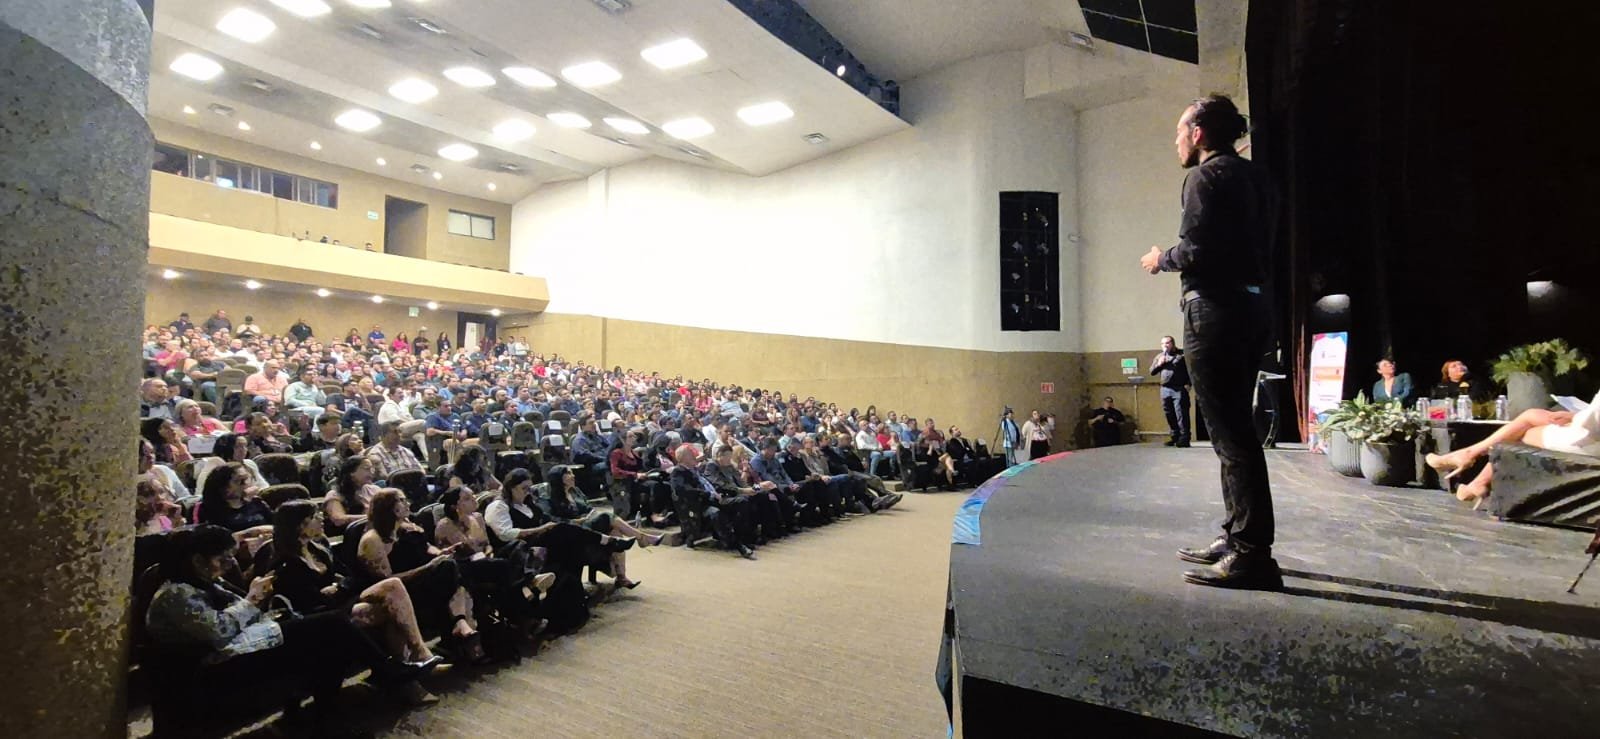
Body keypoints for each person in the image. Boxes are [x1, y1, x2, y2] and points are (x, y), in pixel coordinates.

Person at [1140, 94, 1280, 590]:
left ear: (1198, 133)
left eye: (1180, 130)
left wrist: (1161, 258)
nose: (1176, 140)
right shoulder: (1256, 177)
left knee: (1231, 436)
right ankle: (1237, 536)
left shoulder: (1204, 177)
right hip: (1254, 309)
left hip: (1215, 312)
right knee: (1234, 432)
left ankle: (1250, 555)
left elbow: (1197, 248)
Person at [145, 526, 440, 715]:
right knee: (333, 625)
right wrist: (252, 599)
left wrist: (255, 601)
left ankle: (330, 707)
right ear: (197, 560)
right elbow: (219, 631)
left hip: (238, 648)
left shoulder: (207, 583)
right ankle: (387, 672)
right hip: (209, 666)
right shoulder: (176, 594)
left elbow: (242, 615)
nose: (228, 565)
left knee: (333, 635)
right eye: (222, 559)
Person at [269, 500, 443, 704]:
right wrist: (338, 589)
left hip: (343, 599)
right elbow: (308, 602)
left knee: (393, 587)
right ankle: (405, 674)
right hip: (324, 615)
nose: (321, 519)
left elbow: (349, 576)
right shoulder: (285, 563)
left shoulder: (319, 547)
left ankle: (416, 655)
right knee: (393, 610)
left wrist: (339, 586)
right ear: (299, 525)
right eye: (314, 517)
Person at [356, 489, 485, 662]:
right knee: (449, 570)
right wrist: (428, 568)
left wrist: (442, 553)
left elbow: (428, 549)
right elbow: (386, 582)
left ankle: (461, 629)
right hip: (397, 591)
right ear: (389, 507)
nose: (407, 503)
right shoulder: (372, 540)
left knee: (455, 567)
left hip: (419, 581)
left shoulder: (406, 531)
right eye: (402, 500)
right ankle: (461, 627)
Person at [1425, 391, 1600, 507]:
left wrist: (1574, 418)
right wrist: (1574, 416)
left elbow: (1593, 425)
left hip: (1589, 443)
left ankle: (1471, 460)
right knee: (1531, 415)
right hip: (1592, 435)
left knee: (1524, 432)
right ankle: (1476, 477)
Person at [1150, 336, 1192, 447]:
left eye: (1167, 343)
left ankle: (1184, 438)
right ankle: (1175, 437)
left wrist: (1189, 384)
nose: (1165, 345)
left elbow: (1191, 369)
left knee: (1181, 414)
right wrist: (1159, 364)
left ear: (1173, 343)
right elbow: (1152, 372)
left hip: (1179, 388)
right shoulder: (1160, 356)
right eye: (1162, 343)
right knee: (1169, 414)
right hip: (1165, 389)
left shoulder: (1182, 355)